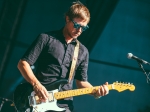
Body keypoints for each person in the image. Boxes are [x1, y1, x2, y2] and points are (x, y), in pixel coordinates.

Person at [17, 1, 109, 112]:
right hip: (40, 99)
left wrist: (96, 92)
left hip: (64, 106)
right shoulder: (46, 38)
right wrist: (37, 85)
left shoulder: (83, 51)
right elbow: (23, 63)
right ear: (67, 19)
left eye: (83, 28)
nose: (79, 30)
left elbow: (81, 82)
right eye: (76, 25)